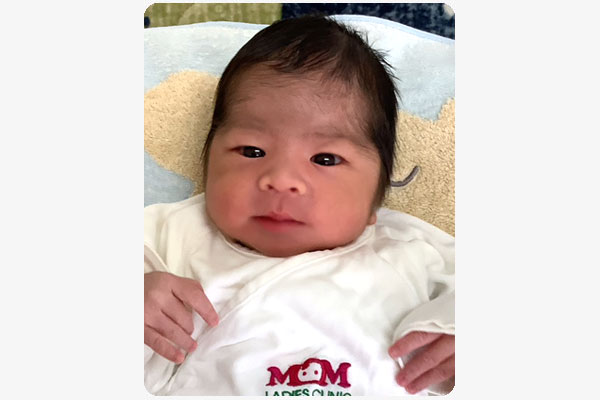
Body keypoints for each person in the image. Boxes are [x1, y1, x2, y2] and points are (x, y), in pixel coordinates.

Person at [144, 15, 455, 395]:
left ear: (377, 194)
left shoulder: (412, 252)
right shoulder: (169, 236)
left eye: (325, 159)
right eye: (252, 151)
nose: (281, 179)